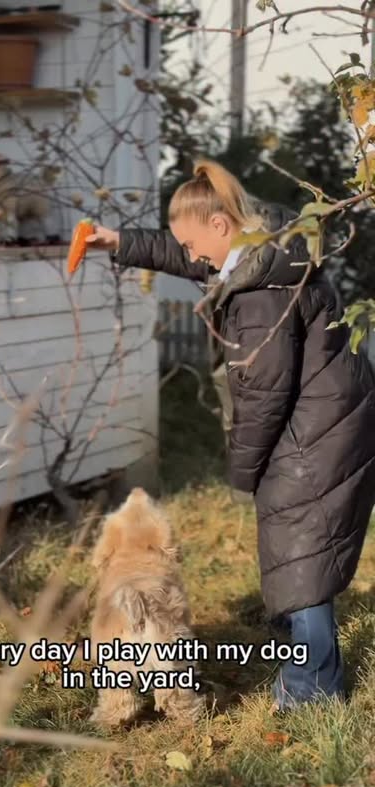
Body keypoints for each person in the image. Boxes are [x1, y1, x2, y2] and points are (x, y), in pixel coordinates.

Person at [84, 159, 375, 713]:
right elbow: (186, 256)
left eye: (196, 245)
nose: (193, 259)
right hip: (326, 416)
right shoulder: (262, 249)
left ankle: (313, 693)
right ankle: (302, 663)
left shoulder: (259, 296)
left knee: (300, 556)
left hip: (311, 432)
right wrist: (121, 242)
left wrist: (242, 472)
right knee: (298, 549)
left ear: (221, 227)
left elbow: (263, 396)